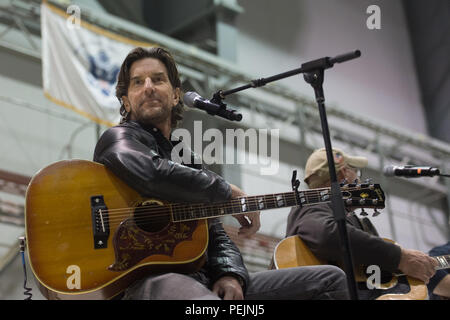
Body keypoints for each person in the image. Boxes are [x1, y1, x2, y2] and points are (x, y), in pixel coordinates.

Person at [93, 46, 349, 300]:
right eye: (138, 82)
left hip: (199, 278)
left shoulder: (187, 160)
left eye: (158, 79)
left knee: (329, 280)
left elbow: (213, 230)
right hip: (147, 283)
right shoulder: (118, 139)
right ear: (126, 101)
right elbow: (152, 173)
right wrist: (226, 191)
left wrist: (230, 274)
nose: (148, 87)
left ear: (175, 96)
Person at [286, 147, 439, 300]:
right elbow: (325, 235)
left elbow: (375, 277)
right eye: (357, 173)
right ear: (343, 173)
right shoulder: (311, 204)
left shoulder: (353, 221)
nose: (359, 179)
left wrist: (406, 267)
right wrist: (400, 257)